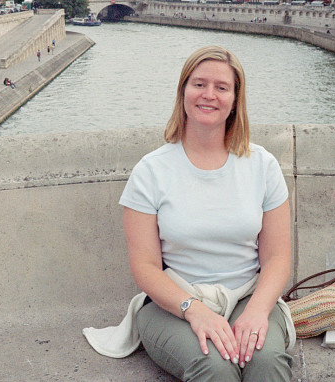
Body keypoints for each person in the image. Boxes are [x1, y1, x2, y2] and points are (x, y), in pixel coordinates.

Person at [92, 46, 293, 381]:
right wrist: (194, 310)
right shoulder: (151, 171)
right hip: (173, 304)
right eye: (199, 84)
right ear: (183, 91)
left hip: (247, 296)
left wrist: (258, 311)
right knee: (214, 367)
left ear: (235, 99)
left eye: (221, 87)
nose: (209, 95)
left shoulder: (262, 165)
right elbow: (144, 267)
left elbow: (277, 257)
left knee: (267, 361)